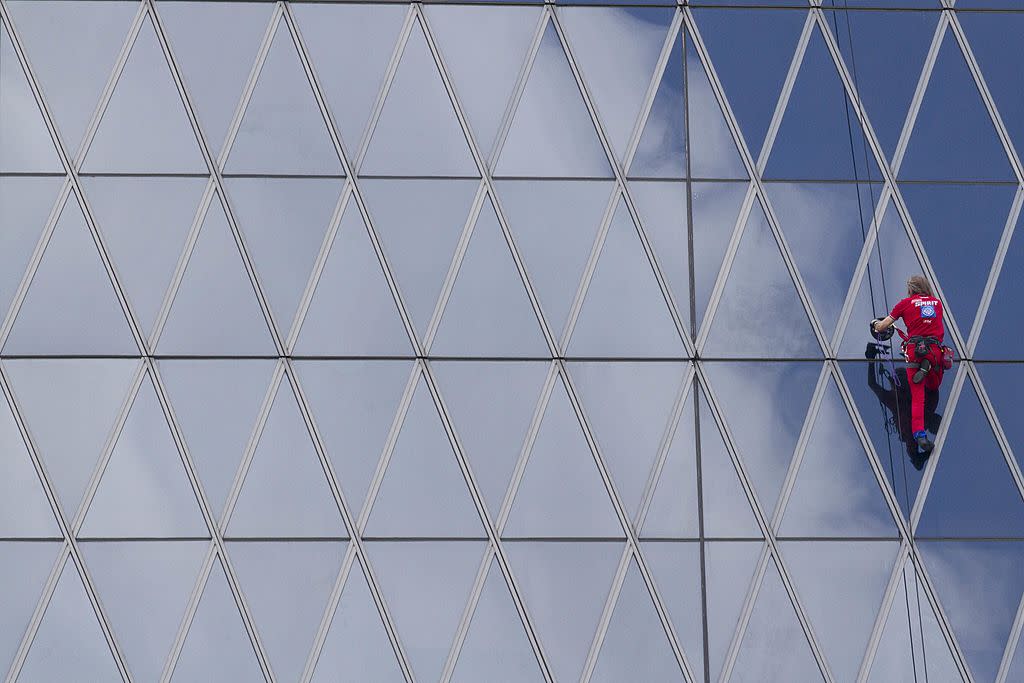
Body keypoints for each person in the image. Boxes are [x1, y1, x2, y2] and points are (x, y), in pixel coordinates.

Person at [871, 275, 947, 453]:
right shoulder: (937, 303)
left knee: (918, 397)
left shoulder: (904, 304)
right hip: (934, 349)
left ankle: (920, 435)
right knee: (934, 384)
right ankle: (927, 364)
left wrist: (876, 324)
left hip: (914, 349)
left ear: (910, 290)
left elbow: (883, 326)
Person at [865, 342, 942, 470]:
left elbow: (872, 383)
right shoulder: (925, 403)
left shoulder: (896, 402)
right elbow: (932, 382)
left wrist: (871, 359)